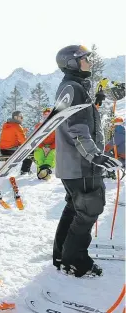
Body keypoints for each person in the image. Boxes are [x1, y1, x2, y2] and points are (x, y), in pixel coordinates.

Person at [53, 45, 123, 278]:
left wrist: (99, 101)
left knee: (75, 209)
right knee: (88, 210)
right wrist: (96, 156)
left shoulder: (71, 87)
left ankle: (61, 255)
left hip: (72, 165)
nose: (90, 62)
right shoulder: (74, 89)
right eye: (85, 59)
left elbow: (79, 119)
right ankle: (75, 262)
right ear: (72, 63)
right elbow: (78, 129)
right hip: (82, 164)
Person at [33, 108, 56, 180]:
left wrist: (51, 147)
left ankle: (45, 169)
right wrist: (42, 147)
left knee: (53, 154)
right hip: (41, 146)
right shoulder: (38, 126)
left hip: (52, 146)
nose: (46, 117)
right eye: (45, 115)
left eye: (48, 115)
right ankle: (42, 171)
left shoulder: (56, 126)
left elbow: (58, 139)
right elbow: (36, 139)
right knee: (39, 154)